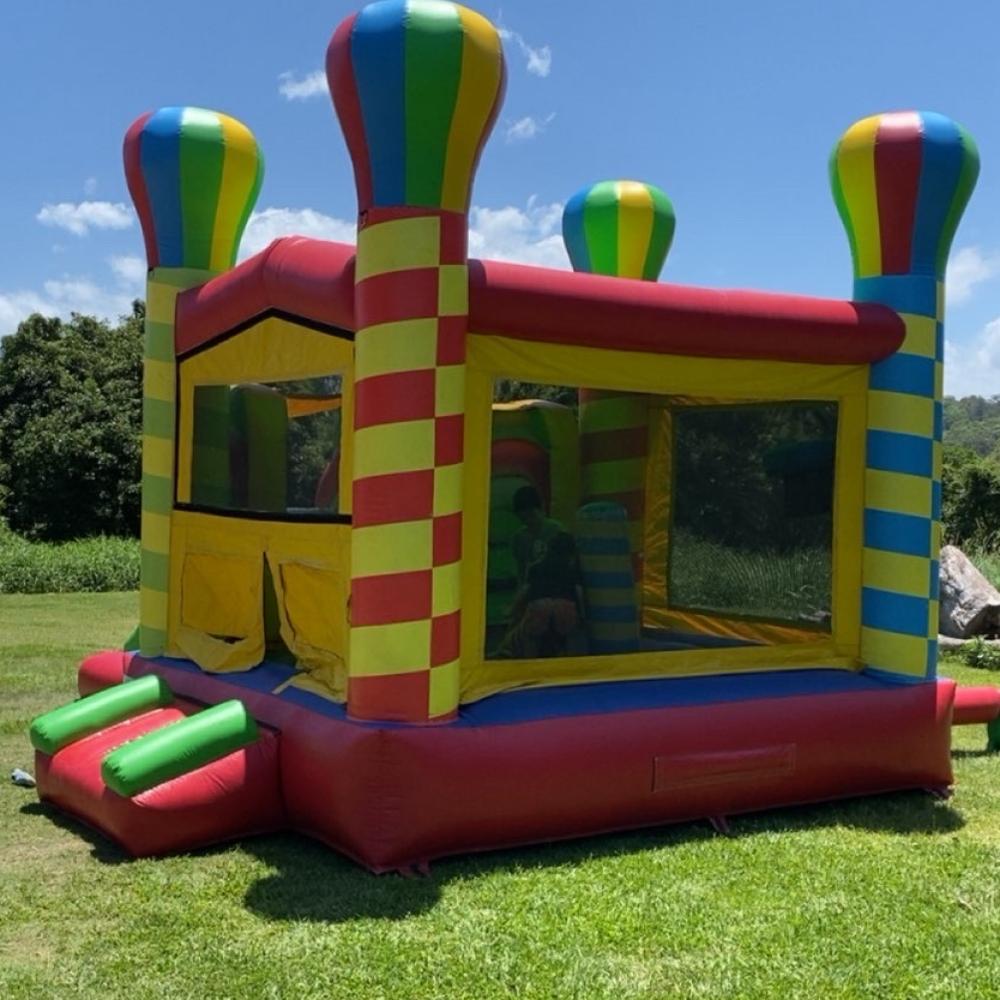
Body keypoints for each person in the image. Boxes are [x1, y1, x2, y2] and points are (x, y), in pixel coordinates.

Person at [498, 530, 584, 658]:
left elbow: (525, 591)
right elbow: (579, 592)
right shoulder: (572, 569)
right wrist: (583, 614)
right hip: (565, 607)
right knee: (572, 639)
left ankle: (529, 664)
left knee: (530, 638)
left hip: (539, 607)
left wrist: (512, 610)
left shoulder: (536, 567)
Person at [510, 485, 563, 584]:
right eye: (524, 519)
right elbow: (521, 571)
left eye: (532, 516)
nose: (529, 522)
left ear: (542, 508)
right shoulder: (519, 538)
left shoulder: (556, 531)